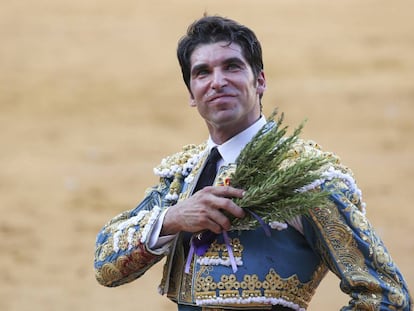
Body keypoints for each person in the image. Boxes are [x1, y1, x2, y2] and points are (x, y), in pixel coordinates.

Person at [94, 15, 412, 310]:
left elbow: (386, 295)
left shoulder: (304, 175)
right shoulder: (182, 176)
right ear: (192, 93)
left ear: (260, 81)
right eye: (202, 72)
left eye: (232, 66)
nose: (217, 81)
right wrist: (174, 218)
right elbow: (106, 266)